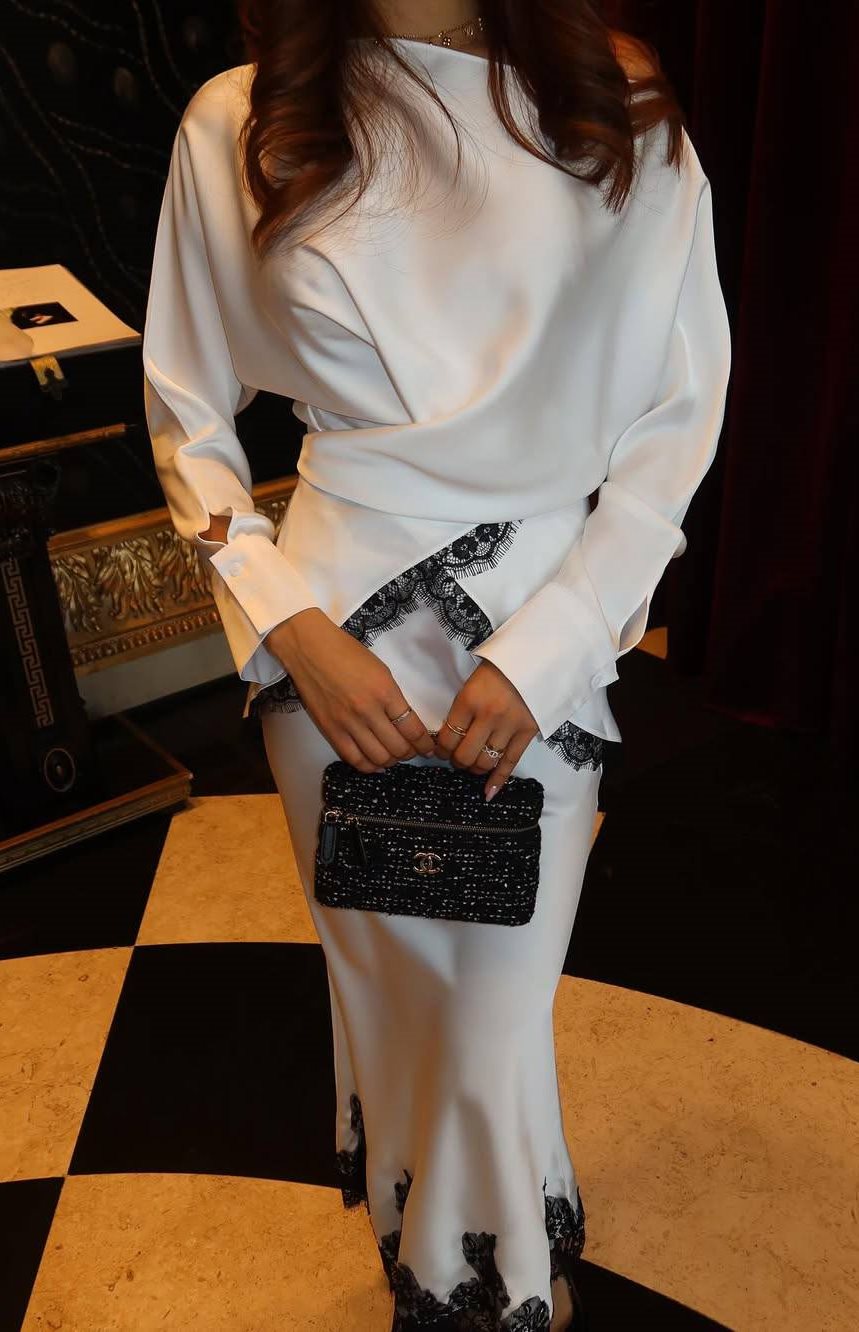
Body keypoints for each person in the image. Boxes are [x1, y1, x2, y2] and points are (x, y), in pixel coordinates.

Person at [142, 3, 731, 1327]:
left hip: (546, 636)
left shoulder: (618, 116)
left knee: (496, 1000)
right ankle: (481, 1236)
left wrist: (549, 649)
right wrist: (291, 629)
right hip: (329, 649)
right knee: (401, 991)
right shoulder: (240, 121)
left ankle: (477, 1278)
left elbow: (677, 425)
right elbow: (187, 412)